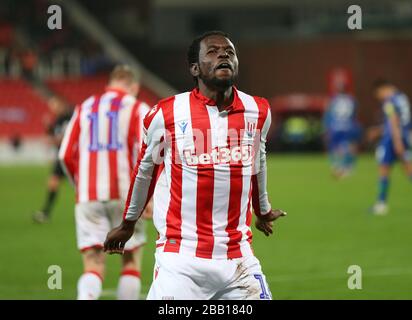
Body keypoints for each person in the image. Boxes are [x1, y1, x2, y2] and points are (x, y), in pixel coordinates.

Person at [104, 31, 287, 300]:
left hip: (238, 259)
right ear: (195, 68)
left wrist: (262, 209)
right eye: (213, 52)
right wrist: (128, 223)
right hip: (182, 260)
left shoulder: (258, 111)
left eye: (229, 52)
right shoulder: (166, 114)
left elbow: (257, 161)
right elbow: (146, 171)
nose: (224, 54)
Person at [58, 65, 152, 299]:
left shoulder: (85, 107)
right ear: (135, 87)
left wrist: (81, 187)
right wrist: (148, 197)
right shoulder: (139, 108)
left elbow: (65, 154)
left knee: (93, 263)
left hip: (89, 195)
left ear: (110, 83)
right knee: (131, 259)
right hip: (126, 195)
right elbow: (148, 155)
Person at [369, 79, 412, 215]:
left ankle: (381, 204)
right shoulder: (402, 97)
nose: (379, 98)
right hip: (405, 136)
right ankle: (380, 203)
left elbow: (393, 120)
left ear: (383, 89)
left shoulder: (389, 101)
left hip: (392, 139)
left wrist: (397, 142)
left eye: (378, 94)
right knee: (408, 169)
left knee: (384, 169)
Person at [33, 96, 73, 223]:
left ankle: (88, 213)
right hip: (61, 157)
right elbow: (53, 135)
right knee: (53, 182)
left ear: (61, 105)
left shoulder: (69, 118)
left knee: (79, 186)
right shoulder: (58, 120)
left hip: (71, 157)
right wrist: (48, 127)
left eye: (55, 106)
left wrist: (52, 140)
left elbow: (65, 138)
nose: (53, 109)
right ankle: (45, 212)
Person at [323, 85, 360, 178]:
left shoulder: (333, 100)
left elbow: (328, 113)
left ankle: (336, 166)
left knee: (334, 147)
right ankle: (348, 167)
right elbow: (355, 114)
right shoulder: (351, 99)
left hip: (336, 126)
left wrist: (326, 127)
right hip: (348, 126)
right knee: (349, 146)